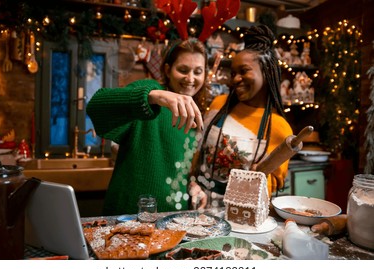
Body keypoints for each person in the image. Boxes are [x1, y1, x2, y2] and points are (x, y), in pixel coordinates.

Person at [86, 39, 209, 215]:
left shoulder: (195, 114)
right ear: (167, 70)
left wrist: (192, 185)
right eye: (182, 70)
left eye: (198, 72)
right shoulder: (149, 91)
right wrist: (153, 96)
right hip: (128, 215)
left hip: (172, 220)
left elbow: (177, 167)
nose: (190, 78)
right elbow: (96, 106)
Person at [189, 25, 293, 209]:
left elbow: (275, 183)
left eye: (244, 71)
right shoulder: (219, 105)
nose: (235, 79)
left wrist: (260, 178)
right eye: (233, 73)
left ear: (266, 74)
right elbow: (198, 151)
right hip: (199, 203)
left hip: (241, 211)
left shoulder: (278, 127)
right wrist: (191, 183)